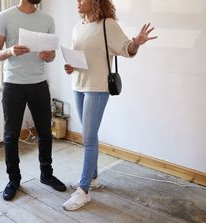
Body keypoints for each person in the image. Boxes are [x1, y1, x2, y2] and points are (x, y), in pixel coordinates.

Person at [62, 0, 157, 211]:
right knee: (90, 135)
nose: (77, 1)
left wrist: (137, 43)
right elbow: (81, 57)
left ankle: (83, 190)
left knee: (87, 138)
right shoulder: (78, 27)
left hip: (97, 87)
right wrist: (70, 66)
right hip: (78, 84)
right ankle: (93, 177)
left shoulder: (108, 25)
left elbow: (126, 49)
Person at [0, 0, 67, 201]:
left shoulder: (47, 20)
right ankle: (13, 180)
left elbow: (51, 56)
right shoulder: (4, 17)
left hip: (39, 84)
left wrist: (48, 56)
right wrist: (9, 51)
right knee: (11, 135)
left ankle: (46, 174)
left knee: (45, 133)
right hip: (13, 85)